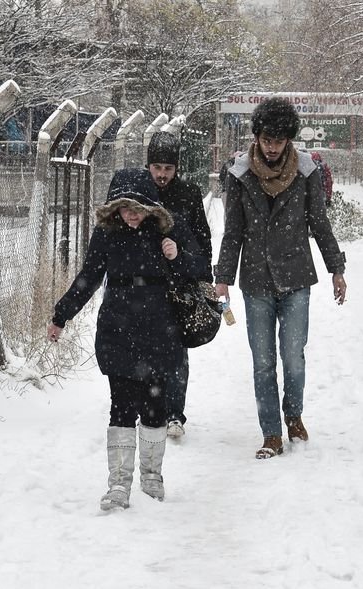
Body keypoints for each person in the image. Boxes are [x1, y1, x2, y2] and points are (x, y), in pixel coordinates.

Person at [48, 168, 210, 510]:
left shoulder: (168, 229)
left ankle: (152, 477)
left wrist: (176, 256)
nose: (132, 213)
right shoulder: (106, 234)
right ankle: (118, 483)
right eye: (124, 207)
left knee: (155, 405)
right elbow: (89, 277)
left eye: (137, 206)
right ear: (114, 209)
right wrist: (61, 315)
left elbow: (196, 271)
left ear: (150, 205)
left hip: (160, 327)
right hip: (118, 327)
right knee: (120, 404)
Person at [214, 97, 347, 459]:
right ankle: (271, 432)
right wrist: (222, 277)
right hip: (256, 281)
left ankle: (293, 414)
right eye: (266, 140)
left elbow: (319, 223)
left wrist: (337, 268)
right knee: (262, 360)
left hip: (295, 277)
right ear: (256, 137)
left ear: (289, 139)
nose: (272, 147)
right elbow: (233, 232)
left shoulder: (306, 172)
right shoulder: (240, 174)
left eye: (279, 140)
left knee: (293, 355)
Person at [146, 131, 213, 439]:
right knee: (145, 349)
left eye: (168, 168)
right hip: (144, 282)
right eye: (157, 167)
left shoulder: (188, 193)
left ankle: (175, 414)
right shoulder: (139, 191)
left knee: (175, 352)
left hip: (179, 283)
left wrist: (205, 282)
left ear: (177, 168)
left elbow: (203, 239)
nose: (161, 174)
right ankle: (150, 408)